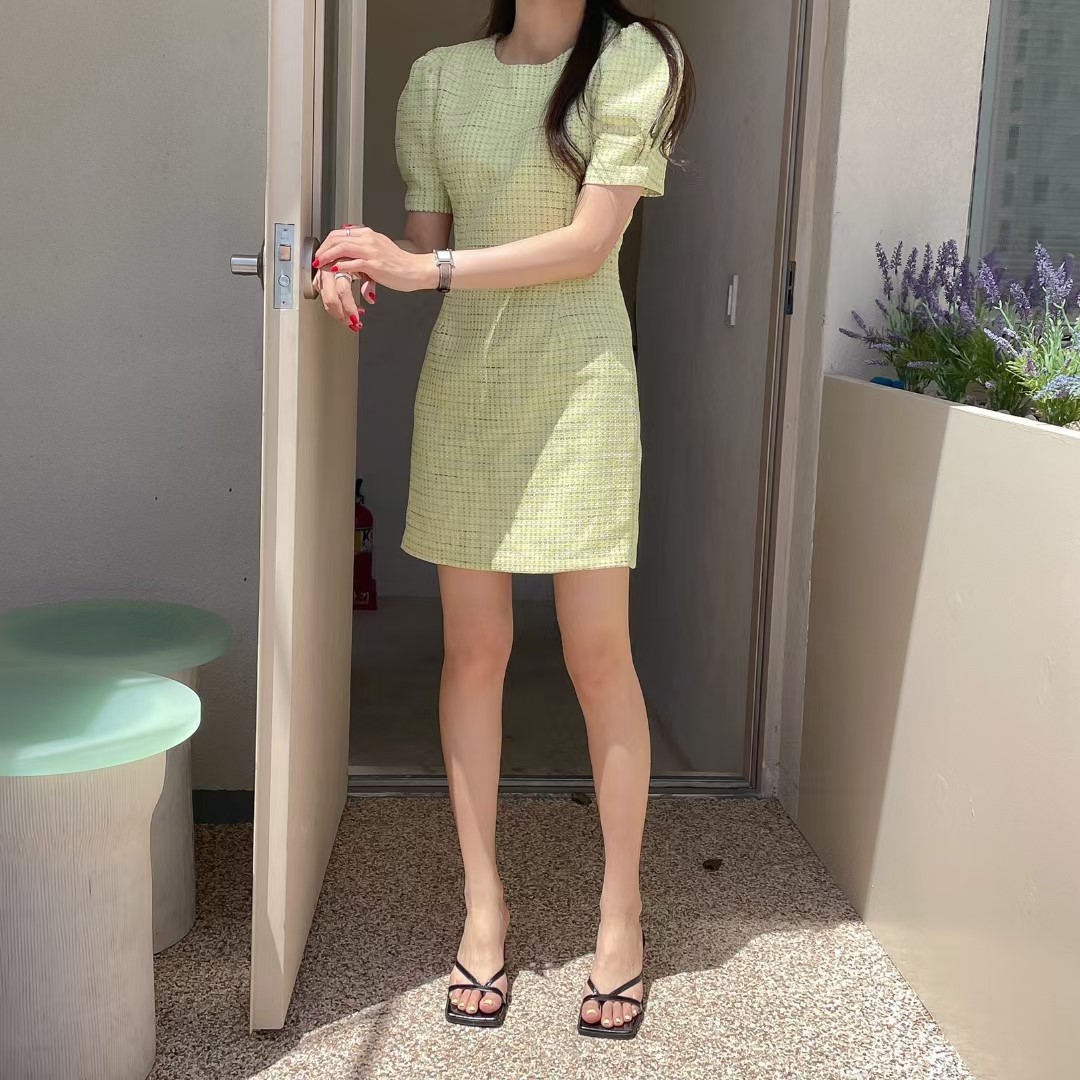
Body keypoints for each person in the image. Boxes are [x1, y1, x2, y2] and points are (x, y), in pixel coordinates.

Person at [312, 0, 693, 1040]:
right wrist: (356, 261)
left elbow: (589, 244)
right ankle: (483, 906)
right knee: (473, 652)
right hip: (470, 392)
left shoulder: (634, 58)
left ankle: (621, 916)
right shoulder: (441, 78)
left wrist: (425, 269)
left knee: (597, 656)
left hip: (580, 388)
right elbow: (425, 242)